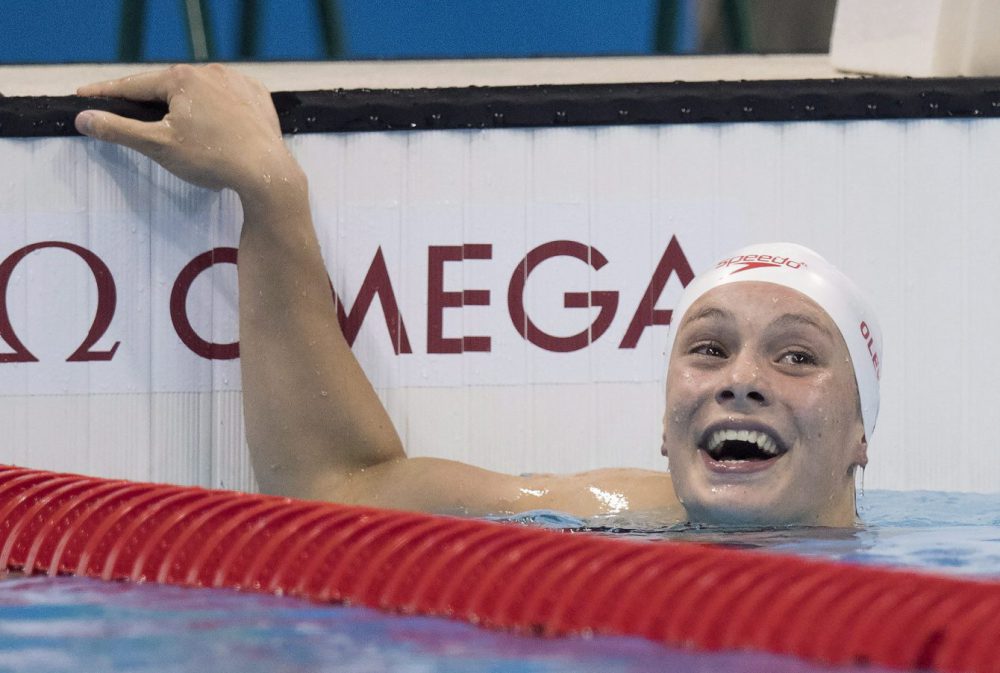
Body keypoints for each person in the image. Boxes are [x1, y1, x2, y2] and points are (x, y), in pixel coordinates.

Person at [74, 64, 881, 528]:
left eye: (797, 355)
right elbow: (338, 491)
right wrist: (269, 188)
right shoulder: (606, 519)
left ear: (860, 435)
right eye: (708, 346)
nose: (741, 378)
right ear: (664, 427)